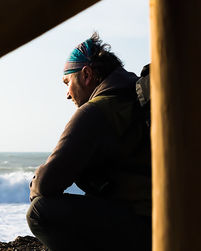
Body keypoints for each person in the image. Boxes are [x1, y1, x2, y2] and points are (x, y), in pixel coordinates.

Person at [26, 33, 151, 251]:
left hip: (144, 226)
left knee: (40, 211)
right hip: (182, 217)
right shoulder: (139, 97)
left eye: (67, 82)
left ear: (86, 75)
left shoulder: (96, 111)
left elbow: (46, 184)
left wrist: (35, 181)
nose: (67, 94)